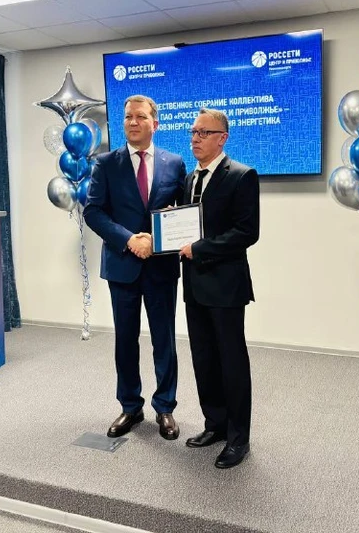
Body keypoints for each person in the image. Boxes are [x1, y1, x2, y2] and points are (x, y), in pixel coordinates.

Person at [84, 95, 186, 440]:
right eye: (128, 117)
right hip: (122, 265)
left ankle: (165, 407)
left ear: (155, 123)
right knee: (125, 340)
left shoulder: (174, 163)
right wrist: (130, 240)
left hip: (161, 267)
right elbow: (93, 212)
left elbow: (182, 213)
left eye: (140, 117)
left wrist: (158, 239)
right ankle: (130, 406)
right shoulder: (105, 164)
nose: (132, 122)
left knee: (164, 340)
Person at [179, 108, 260, 469]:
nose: (195, 138)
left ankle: (239, 438)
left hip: (226, 286)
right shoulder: (189, 178)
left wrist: (199, 249)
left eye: (203, 132)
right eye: (193, 132)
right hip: (194, 286)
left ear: (222, 138)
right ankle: (215, 424)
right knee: (204, 359)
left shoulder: (242, 176)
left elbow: (246, 232)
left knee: (231, 362)